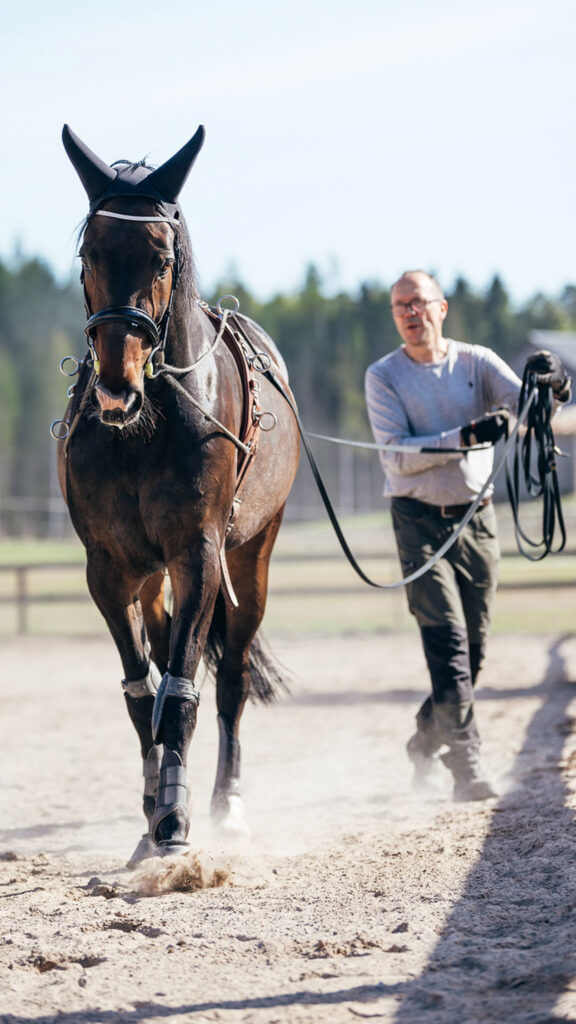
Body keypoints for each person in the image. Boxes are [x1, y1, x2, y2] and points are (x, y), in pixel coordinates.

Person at [365, 270, 570, 802]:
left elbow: (533, 412)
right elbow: (395, 456)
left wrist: (555, 384)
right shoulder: (383, 376)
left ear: (441, 308)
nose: (409, 313)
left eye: (417, 302)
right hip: (417, 521)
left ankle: (424, 741)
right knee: (449, 644)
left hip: (476, 519)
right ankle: (466, 763)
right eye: (399, 306)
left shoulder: (475, 362)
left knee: (473, 652)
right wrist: (467, 436)